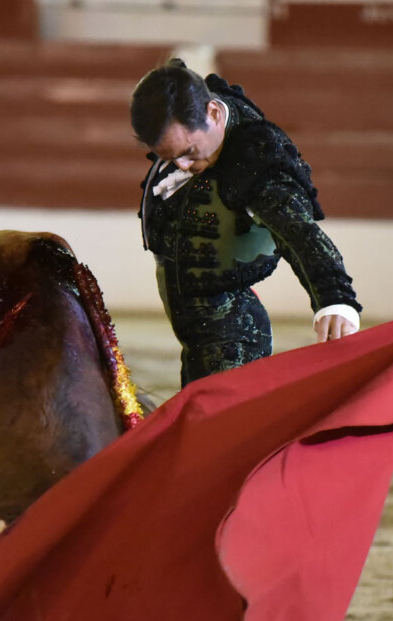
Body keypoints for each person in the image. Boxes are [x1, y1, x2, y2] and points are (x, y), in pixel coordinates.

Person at [131, 58, 362, 386]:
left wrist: (336, 299)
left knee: (221, 428)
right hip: (197, 330)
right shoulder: (188, 112)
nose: (181, 166)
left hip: (232, 335)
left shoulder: (256, 161)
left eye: (189, 151)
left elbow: (300, 233)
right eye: (169, 157)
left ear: (213, 113)